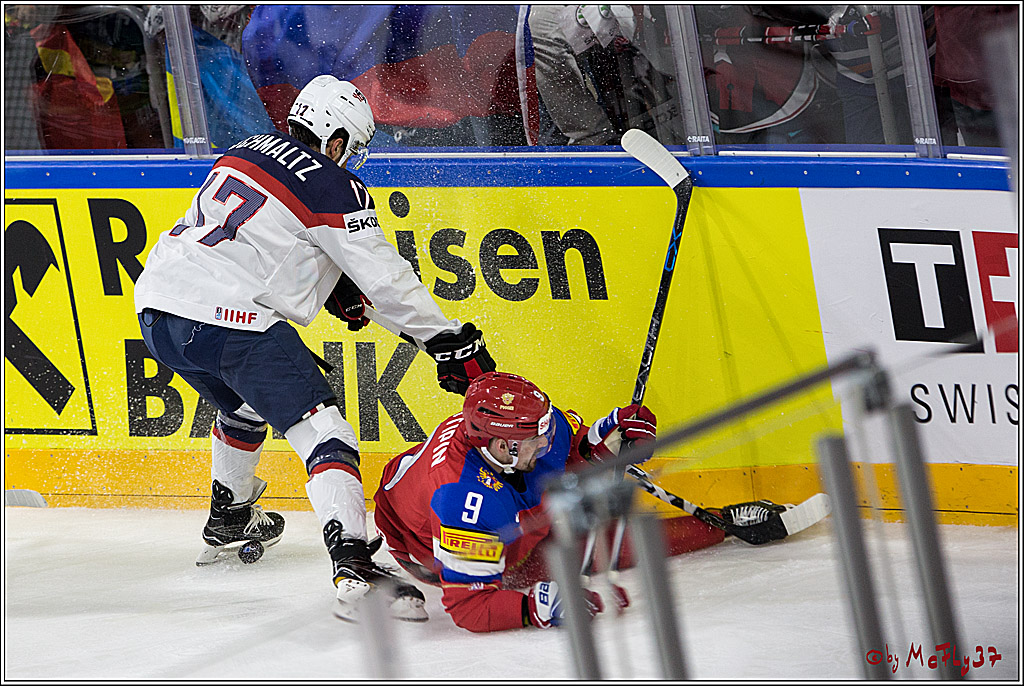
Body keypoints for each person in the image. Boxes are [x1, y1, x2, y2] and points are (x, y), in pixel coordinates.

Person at [133, 74, 497, 621]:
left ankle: (229, 514)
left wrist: (334, 290)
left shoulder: (240, 151)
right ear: (335, 140)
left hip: (159, 309)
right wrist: (447, 340)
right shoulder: (334, 184)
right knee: (324, 430)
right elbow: (387, 280)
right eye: (352, 148)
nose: (351, 160)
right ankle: (354, 567)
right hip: (230, 316)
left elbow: (264, 242)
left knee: (245, 404)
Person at [372, 371, 726, 631]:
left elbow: (569, 448)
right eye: (535, 442)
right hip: (424, 546)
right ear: (501, 446)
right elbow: (470, 608)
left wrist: (607, 438)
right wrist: (534, 608)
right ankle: (714, 527)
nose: (546, 444)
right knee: (603, 545)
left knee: (597, 531)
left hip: (482, 497)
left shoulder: (525, 428)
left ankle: (720, 522)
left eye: (546, 434)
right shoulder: (464, 500)